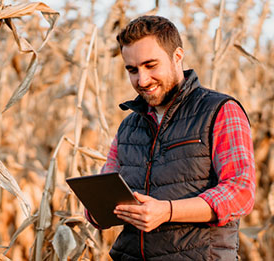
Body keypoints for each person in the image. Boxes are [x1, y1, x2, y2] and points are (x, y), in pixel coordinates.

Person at [85, 15, 255, 260]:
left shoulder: (220, 111)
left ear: (177, 56)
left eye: (150, 65)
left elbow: (240, 192)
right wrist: (96, 209)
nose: (142, 80)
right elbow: (105, 196)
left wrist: (167, 211)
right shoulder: (128, 126)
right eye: (132, 70)